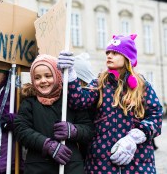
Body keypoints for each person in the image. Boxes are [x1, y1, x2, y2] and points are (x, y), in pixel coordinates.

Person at [58, 34, 163, 173]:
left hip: (138, 164)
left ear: (127, 57)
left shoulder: (142, 85)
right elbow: (79, 101)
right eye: (108, 52)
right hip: (102, 164)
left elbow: (156, 116)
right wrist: (70, 74)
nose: (109, 55)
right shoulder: (99, 83)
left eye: (114, 53)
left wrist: (134, 138)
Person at [14, 54, 94, 174]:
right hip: (38, 168)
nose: (43, 81)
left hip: (70, 167)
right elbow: (21, 130)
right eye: (37, 77)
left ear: (57, 76)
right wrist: (46, 145)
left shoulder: (71, 101)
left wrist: (74, 130)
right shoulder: (29, 103)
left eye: (48, 76)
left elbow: (89, 130)